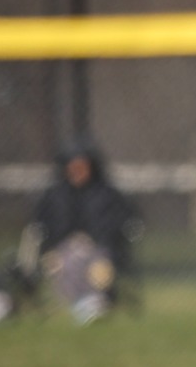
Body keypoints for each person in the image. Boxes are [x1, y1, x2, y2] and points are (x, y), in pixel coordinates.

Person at [31, 138, 140, 323]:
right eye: (73, 167)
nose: (77, 173)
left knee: (97, 268)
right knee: (68, 263)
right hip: (64, 250)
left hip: (99, 250)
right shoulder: (55, 196)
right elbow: (41, 227)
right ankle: (84, 305)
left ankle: (93, 303)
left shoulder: (107, 195)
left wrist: (96, 242)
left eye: (82, 167)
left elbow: (122, 225)